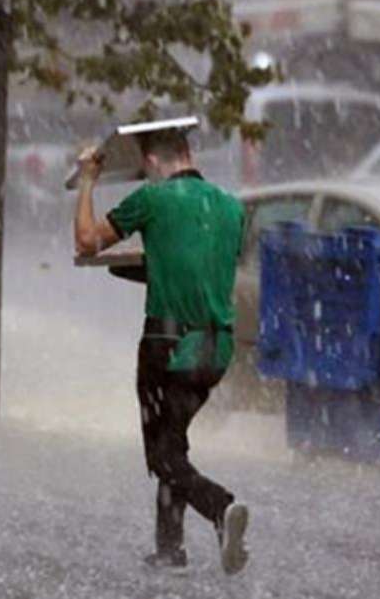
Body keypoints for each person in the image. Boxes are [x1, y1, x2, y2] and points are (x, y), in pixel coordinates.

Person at [73, 127, 250, 575]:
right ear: (188, 153)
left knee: (162, 457)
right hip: (215, 349)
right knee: (174, 444)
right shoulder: (231, 208)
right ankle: (170, 548)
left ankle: (219, 508)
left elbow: (87, 241)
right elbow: (202, 268)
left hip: (167, 346)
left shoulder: (152, 199)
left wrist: (89, 180)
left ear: (151, 162)